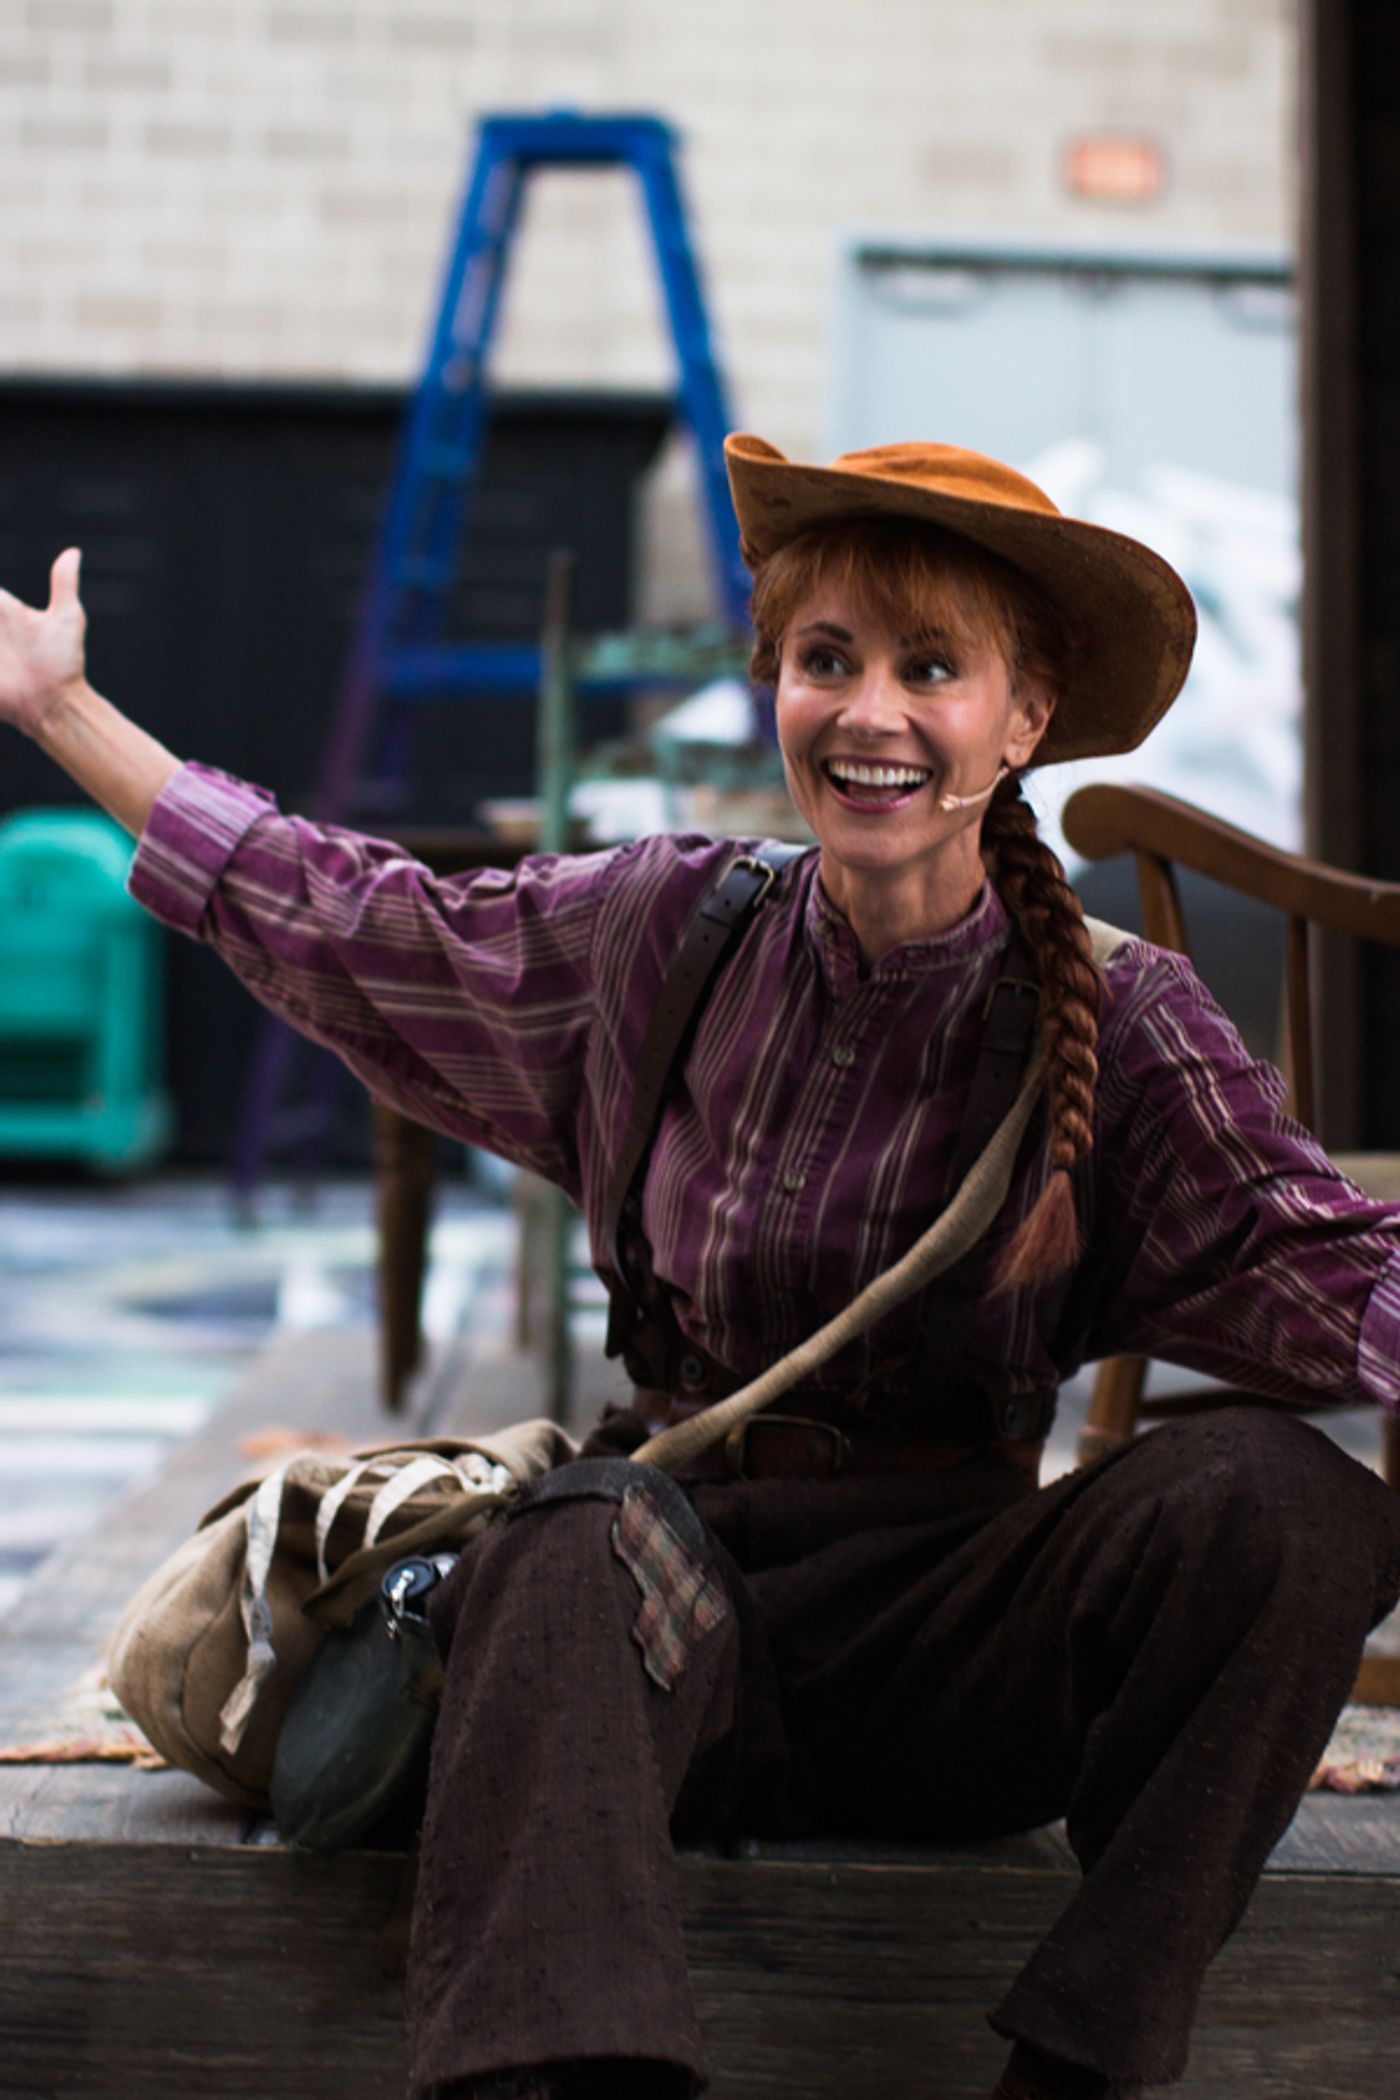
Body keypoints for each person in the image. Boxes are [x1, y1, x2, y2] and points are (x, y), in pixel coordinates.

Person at [3, 434, 1400, 2100]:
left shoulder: (1133, 1022)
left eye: (930, 670)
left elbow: (1342, 1270)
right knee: (572, 1536)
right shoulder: (663, 929)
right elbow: (349, 918)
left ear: (1020, 723)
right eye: (828, 662)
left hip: (962, 1651)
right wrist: (59, 713)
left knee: (1291, 1503)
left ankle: (1083, 2066)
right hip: (672, 1633)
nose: (870, 713)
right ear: (776, 691)